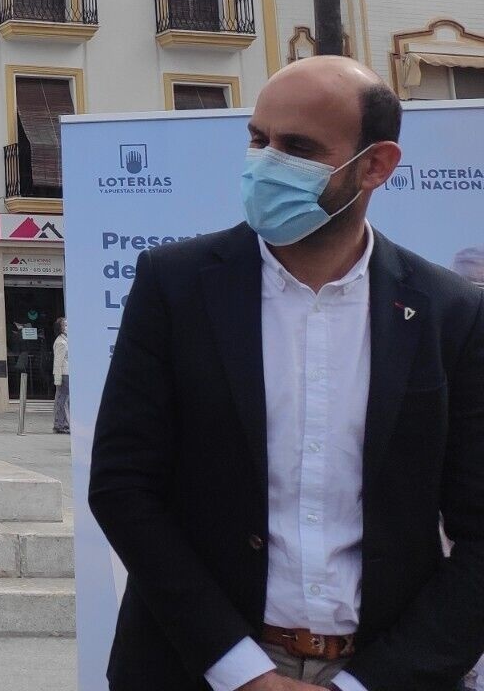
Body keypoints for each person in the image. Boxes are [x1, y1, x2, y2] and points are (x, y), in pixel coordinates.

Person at [90, 56, 484, 691]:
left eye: (297, 148)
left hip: (385, 668)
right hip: (198, 668)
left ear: (376, 165)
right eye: (257, 139)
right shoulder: (177, 287)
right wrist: (243, 671)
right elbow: (122, 487)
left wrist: (367, 684)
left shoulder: (451, 313)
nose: (265, 163)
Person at [52, 317, 69, 434]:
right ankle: (60, 424)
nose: (68, 327)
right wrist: (57, 379)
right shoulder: (61, 342)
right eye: (65, 325)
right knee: (62, 400)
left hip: (67, 373)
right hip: (64, 374)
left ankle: (63, 423)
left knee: (65, 400)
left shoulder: (66, 340)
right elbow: (58, 362)